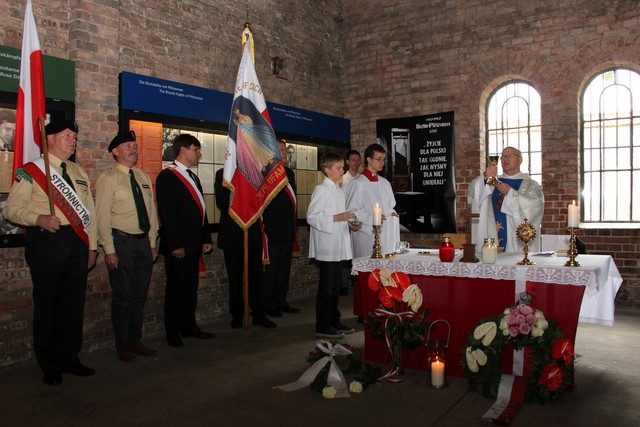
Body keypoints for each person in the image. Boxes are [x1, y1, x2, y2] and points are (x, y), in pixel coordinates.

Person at [4, 120, 98, 386]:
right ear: (51, 139)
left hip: (76, 242)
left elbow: (89, 214)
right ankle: (49, 363)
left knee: (72, 303)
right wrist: (38, 218)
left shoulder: (77, 171)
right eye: (67, 135)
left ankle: (70, 357)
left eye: (74, 136)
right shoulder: (32, 171)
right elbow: (11, 210)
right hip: (47, 241)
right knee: (48, 303)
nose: (73, 140)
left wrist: (92, 246)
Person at [95, 131, 159, 363]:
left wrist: (152, 242)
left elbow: (150, 211)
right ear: (115, 151)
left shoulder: (142, 176)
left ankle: (135, 340)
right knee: (123, 296)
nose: (133, 149)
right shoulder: (108, 178)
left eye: (135, 145)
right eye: (127, 146)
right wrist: (109, 249)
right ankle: (123, 345)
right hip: (121, 243)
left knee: (138, 295)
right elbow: (102, 216)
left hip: (143, 244)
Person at [156, 134, 215, 347]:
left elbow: (201, 211)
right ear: (183, 150)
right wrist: (175, 245)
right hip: (179, 246)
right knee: (176, 289)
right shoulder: (167, 176)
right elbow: (167, 215)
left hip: (194, 244)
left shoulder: (193, 177)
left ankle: (188, 326)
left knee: (190, 288)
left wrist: (206, 238)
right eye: (196, 149)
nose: (199, 154)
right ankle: (173, 331)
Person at [214, 168, 275, 329]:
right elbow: (221, 202)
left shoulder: (256, 174)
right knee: (235, 278)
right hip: (232, 236)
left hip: (253, 234)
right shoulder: (223, 174)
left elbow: (266, 204)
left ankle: (258, 313)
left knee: (256, 277)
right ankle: (237, 314)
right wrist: (239, 188)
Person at [307, 152, 358, 339]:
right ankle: (323, 324)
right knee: (327, 287)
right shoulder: (321, 190)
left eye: (342, 167)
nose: (342, 170)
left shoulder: (337, 189)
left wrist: (350, 222)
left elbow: (339, 215)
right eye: (338, 168)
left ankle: (334, 320)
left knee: (336, 286)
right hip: (328, 245)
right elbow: (312, 217)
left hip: (338, 243)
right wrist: (338, 217)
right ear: (327, 170)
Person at [467, 146, 544, 253]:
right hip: (491, 237)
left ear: (520, 160)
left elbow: (537, 206)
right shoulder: (493, 181)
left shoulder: (531, 184)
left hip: (515, 244)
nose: (505, 159)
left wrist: (510, 193)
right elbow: (473, 194)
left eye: (510, 156)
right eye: (503, 156)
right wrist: (484, 176)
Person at [260, 139, 300, 318]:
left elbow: (291, 203)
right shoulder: (265, 173)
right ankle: (268, 304)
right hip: (271, 230)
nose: (285, 153)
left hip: (287, 229)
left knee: (284, 270)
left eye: (285, 150)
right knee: (271, 270)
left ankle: (281, 301)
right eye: (281, 149)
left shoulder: (289, 173)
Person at [346, 143, 400, 259]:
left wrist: (392, 214)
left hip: (385, 235)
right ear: (369, 160)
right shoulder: (357, 184)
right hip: (366, 237)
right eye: (379, 159)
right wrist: (372, 218)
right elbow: (351, 213)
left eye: (383, 160)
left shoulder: (385, 183)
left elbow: (390, 206)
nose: (382, 163)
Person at [339, 149, 361, 296]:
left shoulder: (362, 179)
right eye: (353, 160)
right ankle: (343, 284)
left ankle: (358, 283)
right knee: (346, 253)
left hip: (358, 220)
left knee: (358, 251)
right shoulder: (342, 180)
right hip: (344, 220)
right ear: (347, 162)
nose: (356, 163)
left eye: (358, 160)